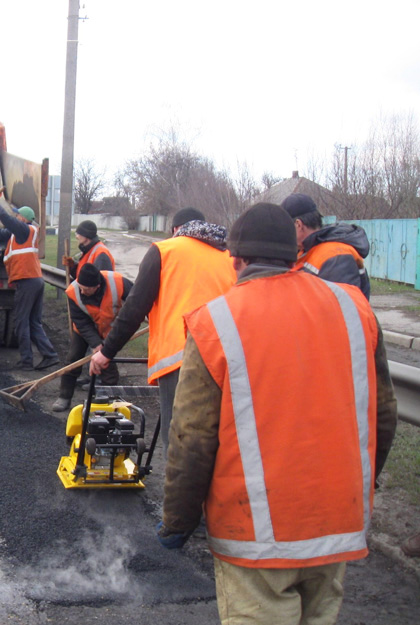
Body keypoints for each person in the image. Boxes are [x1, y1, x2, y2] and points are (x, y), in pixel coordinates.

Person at [157, 202, 398, 625]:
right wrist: (358, 485)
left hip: (256, 538)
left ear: (237, 258)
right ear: (295, 250)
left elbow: (192, 436)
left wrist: (179, 519)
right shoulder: (355, 308)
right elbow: (383, 415)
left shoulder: (216, 320)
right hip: (335, 522)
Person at [90, 207, 236, 446]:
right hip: (226, 360)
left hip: (182, 359)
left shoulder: (165, 250)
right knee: (215, 440)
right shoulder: (228, 255)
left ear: (175, 230)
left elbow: (135, 307)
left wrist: (106, 352)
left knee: (180, 440)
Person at [0, 202, 59, 371]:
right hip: (35, 281)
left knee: (21, 321)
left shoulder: (25, 230)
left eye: (18, 215)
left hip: (27, 282)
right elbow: (0, 232)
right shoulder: (18, 235)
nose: (16, 217)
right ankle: (50, 355)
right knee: (33, 322)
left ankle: (26, 361)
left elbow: (6, 220)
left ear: (23, 218)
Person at [51, 263, 133, 411]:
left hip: (108, 328)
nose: (82, 291)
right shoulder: (73, 291)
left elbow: (137, 299)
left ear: (97, 286)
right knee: (73, 358)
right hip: (84, 330)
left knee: (107, 362)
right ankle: (64, 396)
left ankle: (108, 400)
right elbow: (81, 321)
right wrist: (96, 344)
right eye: (81, 287)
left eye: (86, 289)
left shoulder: (118, 282)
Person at [281, 192, 371, 299]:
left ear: (298, 225)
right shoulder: (307, 250)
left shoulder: (337, 255)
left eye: (285, 228)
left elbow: (341, 308)